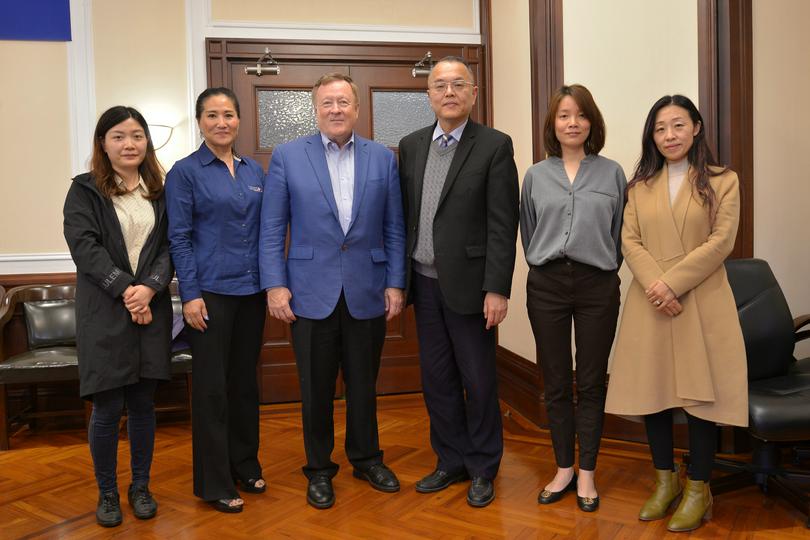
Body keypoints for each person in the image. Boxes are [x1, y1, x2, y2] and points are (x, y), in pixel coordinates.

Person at [260, 73, 406, 509]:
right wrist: (275, 285)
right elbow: (272, 229)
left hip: (368, 288)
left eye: (344, 102)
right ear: (316, 109)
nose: (336, 110)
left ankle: (366, 458)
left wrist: (396, 282)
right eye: (328, 103)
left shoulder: (382, 158)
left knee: (364, 384)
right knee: (316, 388)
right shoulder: (288, 156)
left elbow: (394, 227)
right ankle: (319, 470)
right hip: (307, 292)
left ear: (357, 109)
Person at [605, 95, 747, 532]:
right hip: (651, 302)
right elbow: (629, 241)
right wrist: (656, 286)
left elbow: (722, 242)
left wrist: (672, 284)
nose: (669, 135)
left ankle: (698, 487)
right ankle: (664, 480)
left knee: (700, 396)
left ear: (697, 128)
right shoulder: (639, 185)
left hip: (700, 299)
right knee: (655, 394)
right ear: (653, 135)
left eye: (678, 125)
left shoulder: (723, 181)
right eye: (661, 128)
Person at [398, 56, 519, 507]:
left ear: (473, 93)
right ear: (428, 95)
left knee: (480, 381)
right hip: (424, 285)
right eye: (439, 86)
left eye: (458, 84)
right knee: (437, 380)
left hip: (472, 287)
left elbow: (503, 224)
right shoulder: (410, 146)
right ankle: (450, 460)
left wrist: (497, 287)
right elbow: (405, 217)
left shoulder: (494, 145)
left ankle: (483, 466)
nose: (448, 92)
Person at [63, 106, 173, 527]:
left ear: (147, 142)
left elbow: (169, 246)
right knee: (108, 408)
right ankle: (107, 492)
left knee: (144, 405)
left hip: (151, 308)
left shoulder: (160, 190)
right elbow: (84, 246)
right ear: (103, 143)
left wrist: (149, 288)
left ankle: (140, 486)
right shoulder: (85, 190)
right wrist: (127, 289)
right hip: (104, 311)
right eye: (118, 136)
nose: (129, 144)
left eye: (137, 135)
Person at [520, 84, 625, 512]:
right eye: (564, 115)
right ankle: (563, 467)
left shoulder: (613, 173)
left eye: (580, 115)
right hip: (546, 284)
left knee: (592, 381)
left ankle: (587, 474)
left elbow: (619, 232)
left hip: (597, 284)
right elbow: (529, 230)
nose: (572, 123)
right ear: (553, 124)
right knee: (558, 381)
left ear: (591, 122)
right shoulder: (535, 175)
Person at [165, 88, 267, 513]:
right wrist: (189, 295)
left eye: (228, 114)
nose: (221, 122)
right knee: (211, 391)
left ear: (239, 120)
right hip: (208, 296)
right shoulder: (184, 172)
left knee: (244, 385)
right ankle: (214, 482)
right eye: (212, 115)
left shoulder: (254, 171)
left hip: (252, 292)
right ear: (200, 121)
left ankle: (244, 462)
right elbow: (179, 238)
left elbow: (267, 230)